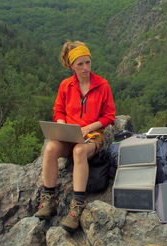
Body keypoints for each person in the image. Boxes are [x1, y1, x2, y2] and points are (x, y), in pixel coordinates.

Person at [34, 40, 116, 232]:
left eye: (88, 62)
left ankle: (76, 209)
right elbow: (58, 110)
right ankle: (49, 201)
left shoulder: (102, 85)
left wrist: (88, 128)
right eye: (80, 64)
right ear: (71, 66)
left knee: (79, 151)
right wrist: (62, 126)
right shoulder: (66, 85)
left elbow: (109, 116)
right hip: (69, 134)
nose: (85, 67)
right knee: (51, 148)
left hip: (93, 135)